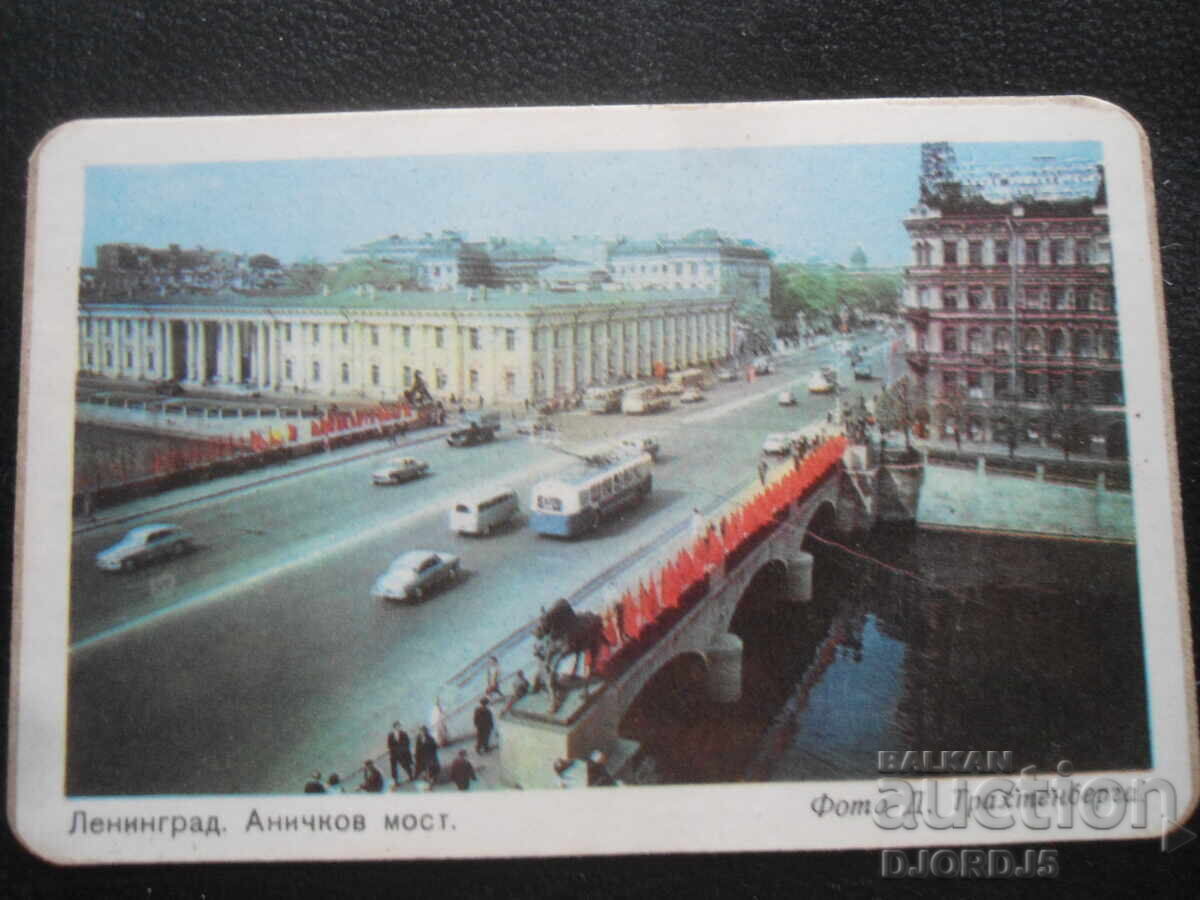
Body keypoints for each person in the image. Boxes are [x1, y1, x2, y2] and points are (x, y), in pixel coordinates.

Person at [387, 721, 413, 786]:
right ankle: (396, 781)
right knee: (394, 769)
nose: (398, 727)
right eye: (397, 726)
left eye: (399, 726)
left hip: (402, 754)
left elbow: (407, 743)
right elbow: (389, 745)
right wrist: (394, 750)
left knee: (406, 766)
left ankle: (411, 777)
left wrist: (402, 750)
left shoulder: (404, 734)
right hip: (394, 754)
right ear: (394, 727)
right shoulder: (390, 735)